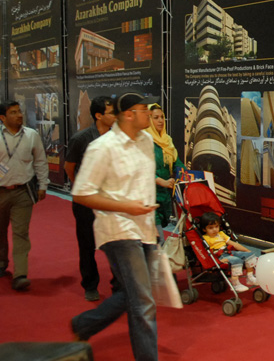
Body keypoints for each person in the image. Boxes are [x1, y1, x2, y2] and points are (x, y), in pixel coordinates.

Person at [70, 92, 161, 361]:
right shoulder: (103, 147)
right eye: (145, 110)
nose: (150, 115)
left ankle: (86, 323)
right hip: (118, 228)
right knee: (143, 300)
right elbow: (81, 193)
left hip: (145, 228)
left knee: (138, 294)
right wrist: (126, 207)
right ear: (129, 115)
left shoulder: (146, 141)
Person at [0, 100, 49, 291]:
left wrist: (43, 184)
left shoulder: (31, 135)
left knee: (21, 233)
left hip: (23, 192)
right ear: (2, 118)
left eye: (19, 111)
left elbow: (40, 161)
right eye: (13, 112)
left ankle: (20, 274)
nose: (19, 115)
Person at [64, 96, 115, 301]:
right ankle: (90, 284)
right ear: (99, 115)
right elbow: (69, 167)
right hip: (86, 201)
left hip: (111, 200)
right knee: (87, 244)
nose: (116, 116)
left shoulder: (118, 138)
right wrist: (82, 189)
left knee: (115, 242)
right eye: (111, 112)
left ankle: (119, 284)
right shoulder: (81, 139)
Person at [144, 103, 185, 241]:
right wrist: (161, 181)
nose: (161, 120)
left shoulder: (167, 141)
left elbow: (176, 163)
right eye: (156, 118)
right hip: (149, 196)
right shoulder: (143, 141)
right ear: (148, 119)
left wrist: (187, 175)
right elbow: (142, 170)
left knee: (156, 237)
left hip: (165, 195)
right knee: (158, 240)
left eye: (162, 117)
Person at [200, 212, 258, 293]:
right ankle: (235, 283)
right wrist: (218, 260)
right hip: (219, 256)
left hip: (229, 252)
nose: (214, 229)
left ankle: (250, 277)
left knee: (250, 255)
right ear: (204, 229)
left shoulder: (221, 234)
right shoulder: (205, 238)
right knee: (236, 260)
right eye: (211, 228)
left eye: (216, 226)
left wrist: (247, 251)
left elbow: (234, 244)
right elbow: (205, 253)